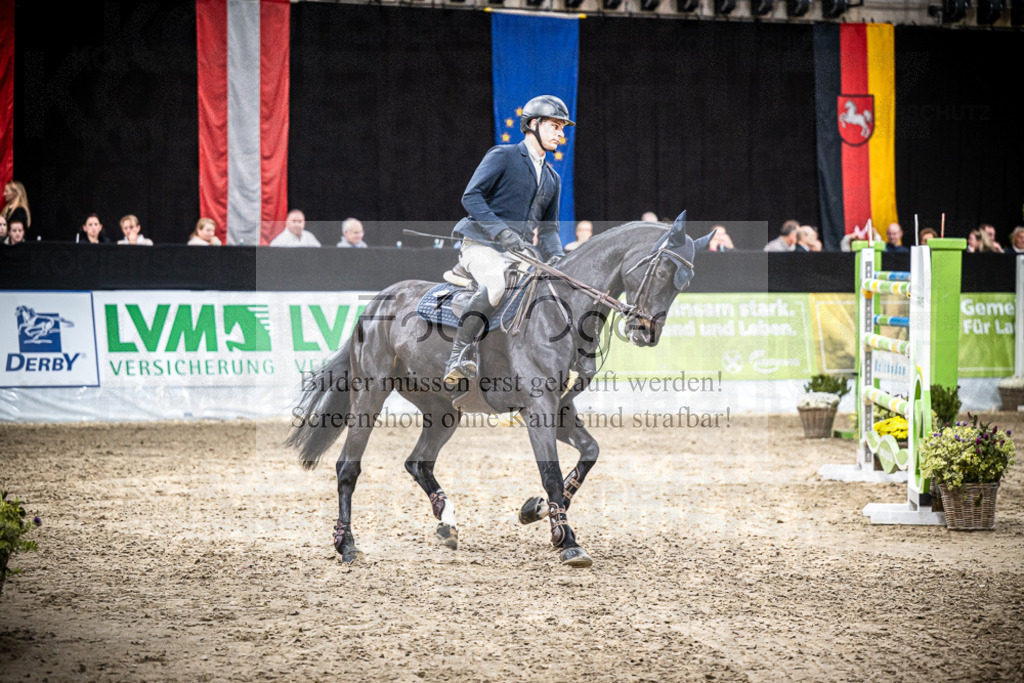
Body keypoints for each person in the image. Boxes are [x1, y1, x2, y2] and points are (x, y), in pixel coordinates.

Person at [444, 94, 571, 383]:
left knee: (548, 294)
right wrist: (501, 231)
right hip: (481, 245)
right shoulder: (503, 155)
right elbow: (471, 196)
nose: (561, 134)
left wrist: (559, 258)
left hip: (520, 253)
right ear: (534, 124)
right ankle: (459, 354)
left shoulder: (552, 178)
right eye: (555, 126)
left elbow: (549, 229)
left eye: (563, 128)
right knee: (496, 285)